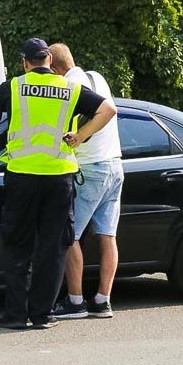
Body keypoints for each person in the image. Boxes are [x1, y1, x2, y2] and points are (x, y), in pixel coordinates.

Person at [0, 38, 116, 331]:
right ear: (49, 62)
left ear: (25, 62)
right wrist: (80, 135)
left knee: (18, 247)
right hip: (58, 179)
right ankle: (42, 315)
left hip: (22, 177)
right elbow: (108, 110)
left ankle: (15, 315)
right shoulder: (70, 88)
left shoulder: (13, 87)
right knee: (52, 248)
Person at [47, 43, 124, 320]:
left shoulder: (70, 85)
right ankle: (103, 301)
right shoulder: (96, 77)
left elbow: (106, 111)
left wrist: (78, 137)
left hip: (90, 169)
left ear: (54, 67)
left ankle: (76, 301)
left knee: (69, 236)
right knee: (107, 235)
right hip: (115, 165)